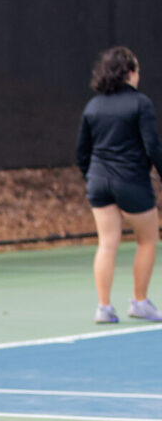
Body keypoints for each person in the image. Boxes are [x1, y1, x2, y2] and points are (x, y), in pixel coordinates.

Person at [76, 46, 162, 324]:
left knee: (107, 243)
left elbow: (82, 152)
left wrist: (92, 177)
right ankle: (139, 302)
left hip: (98, 183)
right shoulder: (141, 103)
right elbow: (152, 146)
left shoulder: (93, 106)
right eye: (137, 69)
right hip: (132, 183)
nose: (139, 74)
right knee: (148, 239)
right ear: (129, 73)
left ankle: (104, 308)